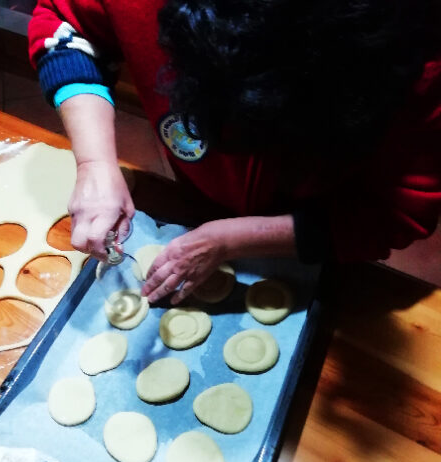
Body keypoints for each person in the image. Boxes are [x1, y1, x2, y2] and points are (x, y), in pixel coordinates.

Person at [28, 0, 441, 304]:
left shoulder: (405, 48)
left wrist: (234, 239)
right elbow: (66, 26)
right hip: (198, 201)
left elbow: (396, 213)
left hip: (323, 231)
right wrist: (94, 163)